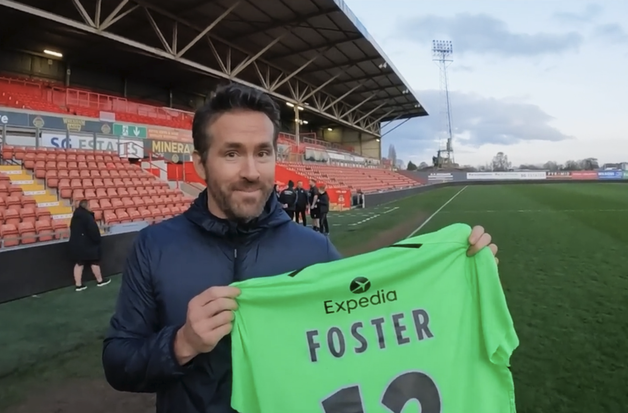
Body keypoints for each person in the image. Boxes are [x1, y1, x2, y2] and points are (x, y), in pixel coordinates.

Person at [101, 83, 500, 413]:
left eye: (262, 153)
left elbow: (378, 327)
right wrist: (181, 343)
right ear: (200, 164)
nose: (251, 172)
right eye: (231, 153)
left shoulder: (314, 251)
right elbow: (118, 363)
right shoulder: (156, 245)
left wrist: (461, 278)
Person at [68, 199, 110, 291]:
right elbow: (93, 231)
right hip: (88, 244)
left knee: (79, 263)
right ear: (86, 206)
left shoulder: (75, 216)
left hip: (76, 244)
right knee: (94, 261)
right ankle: (100, 280)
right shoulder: (87, 216)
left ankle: (78, 285)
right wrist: (97, 239)